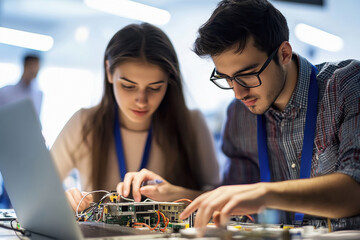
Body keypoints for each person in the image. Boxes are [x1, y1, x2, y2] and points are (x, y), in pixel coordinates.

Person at [179, 0, 360, 231]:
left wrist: (265, 194)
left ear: (284, 53)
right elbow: (237, 202)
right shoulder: (239, 115)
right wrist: (182, 195)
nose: (238, 93)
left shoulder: (347, 85)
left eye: (247, 74)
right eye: (226, 78)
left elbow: (355, 190)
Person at [50, 23, 220, 211]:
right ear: (109, 72)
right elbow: (39, 190)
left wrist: (175, 193)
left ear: (169, 82)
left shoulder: (191, 123)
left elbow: (219, 197)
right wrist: (61, 198)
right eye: (128, 86)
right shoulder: (84, 123)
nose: (141, 101)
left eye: (155, 88)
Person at [0, 54, 42, 209]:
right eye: (33, 66)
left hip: (29, 151)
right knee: (9, 192)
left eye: (38, 67)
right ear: (25, 66)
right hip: (8, 151)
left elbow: (36, 122)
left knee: (26, 195)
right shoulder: (4, 93)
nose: (35, 71)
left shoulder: (38, 95)